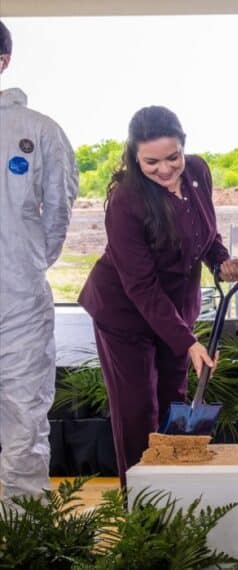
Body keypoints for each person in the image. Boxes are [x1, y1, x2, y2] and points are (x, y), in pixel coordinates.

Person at [78, 106, 238, 486]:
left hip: (175, 311)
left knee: (174, 401)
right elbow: (141, 286)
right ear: (134, 156)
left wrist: (222, 262)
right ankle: (140, 504)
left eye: (173, 157)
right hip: (125, 314)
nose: (165, 169)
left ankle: (173, 492)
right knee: (137, 411)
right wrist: (187, 342)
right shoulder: (126, 200)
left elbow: (205, 235)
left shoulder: (198, 172)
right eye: (151, 162)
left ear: (184, 148)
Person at [0, 20, 78, 499]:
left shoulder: (39, 132)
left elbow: (59, 215)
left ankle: (25, 533)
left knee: (25, 413)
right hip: (19, 285)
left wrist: (25, 266)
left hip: (18, 300)